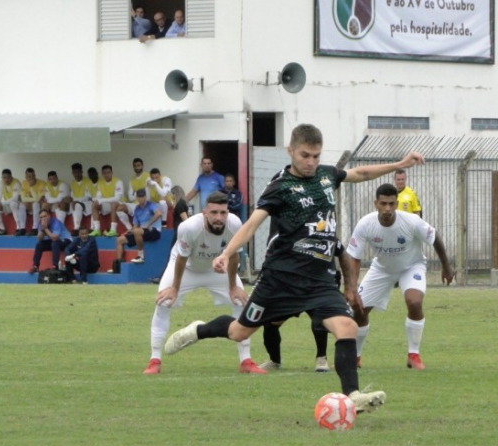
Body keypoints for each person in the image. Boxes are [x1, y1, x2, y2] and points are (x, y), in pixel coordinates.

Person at [163, 123, 426, 413]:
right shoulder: (280, 187)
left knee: (348, 326)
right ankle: (197, 331)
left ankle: (351, 395)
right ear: (291, 151)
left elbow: (360, 173)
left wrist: (400, 164)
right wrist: (226, 252)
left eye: (316, 155)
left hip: (319, 280)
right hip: (280, 279)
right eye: (305, 155)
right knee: (239, 332)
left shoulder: (327, 176)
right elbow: (252, 224)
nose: (311, 162)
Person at [144, 191, 264, 375]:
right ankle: (154, 361)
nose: (219, 218)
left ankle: (246, 361)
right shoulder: (189, 227)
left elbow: (233, 257)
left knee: (241, 301)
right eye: (214, 213)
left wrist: (232, 286)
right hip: (187, 268)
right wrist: (174, 289)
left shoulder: (235, 224)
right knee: (164, 301)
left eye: (223, 213)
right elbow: (181, 259)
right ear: (204, 213)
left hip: (215, 269)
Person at [347, 183, 454, 371]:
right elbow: (354, 257)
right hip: (382, 268)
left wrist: (446, 266)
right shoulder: (365, 224)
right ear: (376, 204)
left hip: (411, 266)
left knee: (414, 302)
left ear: (396, 203)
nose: (387, 209)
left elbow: (435, 237)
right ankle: (355, 357)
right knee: (359, 309)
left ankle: (413, 354)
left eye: (391, 204)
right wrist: (352, 286)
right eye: (383, 204)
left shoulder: (411, 221)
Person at [260, 239, 351, 373]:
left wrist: (348, 286)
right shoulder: (283, 237)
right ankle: (274, 361)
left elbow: (342, 254)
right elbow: (269, 264)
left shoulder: (325, 235)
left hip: (317, 289)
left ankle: (321, 358)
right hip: (291, 290)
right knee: (270, 322)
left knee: (320, 321)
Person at [109, 188, 161, 269]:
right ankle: (118, 266)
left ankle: (140, 256)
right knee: (119, 240)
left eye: (143, 196)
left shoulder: (151, 205)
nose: (141, 198)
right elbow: (136, 225)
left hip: (154, 231)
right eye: (139, 196)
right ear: (137, 198)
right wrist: (130, 231)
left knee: (137, 231)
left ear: (145, 196)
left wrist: (149, 224)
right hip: (142, 231)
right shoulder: (137, 209)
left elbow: (158, 213)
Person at [149, 185, 188, 285]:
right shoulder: (182, 204)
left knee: (172, 256)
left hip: (180, 233)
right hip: (181, 233)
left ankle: (163, 278)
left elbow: (186, 220)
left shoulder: (180, 205)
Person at [28, 208, 73, 274]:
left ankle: (55, 266)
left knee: (54, 243)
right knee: (39, 244)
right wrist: (43, 230)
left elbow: (55, 238)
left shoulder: (56, 222)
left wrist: (45, 229)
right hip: (55, 241)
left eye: (45, 216)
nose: (43, 218)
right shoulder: (41, 224)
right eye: (41, 217)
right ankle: (35, 266)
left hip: (66, 240)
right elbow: (39, 238)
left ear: (49, 216)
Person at [116, 157, 150, 232]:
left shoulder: (148, 176)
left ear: (142, 166)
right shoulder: (132, 179)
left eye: (138, 165)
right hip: (135, 204)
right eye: (135, 166)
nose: (137, 167)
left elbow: (147, 195)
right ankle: (130, 228)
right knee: (119, 208)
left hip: (146, 205)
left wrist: (135, 193)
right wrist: (140, 192)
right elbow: (130, 197)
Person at [90, 164, 124, 237]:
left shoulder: (118, 182)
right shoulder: (100, 183)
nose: (106, 175)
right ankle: (96, 230)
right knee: (94, 204)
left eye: (108, 172)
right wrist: (97, 201)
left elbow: (117, 198)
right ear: (102, 174)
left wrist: (101, 200)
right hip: (107, 204)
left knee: (113, 204)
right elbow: (98, 197)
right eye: (104, 173)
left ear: (112, 173)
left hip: (119, 204)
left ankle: (113, 230)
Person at [0, 169, 23, 235]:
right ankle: (2, 228)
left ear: (11, 177)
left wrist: (2, 203)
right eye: (4, 177)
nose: (6, 179)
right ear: (2, 177)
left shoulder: (16, 183)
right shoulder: (1, 183)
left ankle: (18, 227)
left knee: (13, 204)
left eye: (8, 177)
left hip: (18, 205)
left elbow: (15, 198)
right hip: (7, 205)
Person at [69, 163, 95, 236]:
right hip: (78, 204)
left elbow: (88, 196)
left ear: (82, 172)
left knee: (76, 204)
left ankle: (91, 228)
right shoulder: (73, 183)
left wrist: (76, 201)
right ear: (72, 173)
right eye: (75, 172)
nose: (77, 174)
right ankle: (76, 228)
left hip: (88, 203)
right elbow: (72, 196)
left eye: (78, 172)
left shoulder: (88, 181)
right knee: (74, 205)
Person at [20, 168, 46, 236]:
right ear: (25, 177)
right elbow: (23, 198)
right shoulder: (24, 183)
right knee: (22, 205)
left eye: (33, 176)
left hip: (39, 205)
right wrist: (32, 200)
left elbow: (38, 199)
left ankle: (35, 228)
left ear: (35, 176)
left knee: (35, 204)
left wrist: (31, 187)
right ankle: (22, 228)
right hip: (28, 205)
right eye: (29, 176)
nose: (31, 178)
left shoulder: (41, 183)